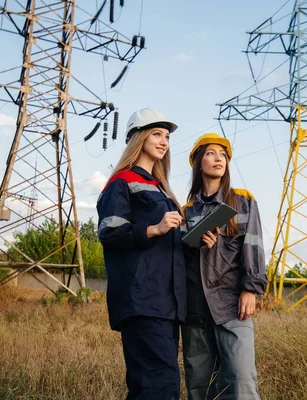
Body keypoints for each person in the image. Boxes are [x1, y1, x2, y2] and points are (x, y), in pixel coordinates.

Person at [97, 108, 188, 399]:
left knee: (154, 385)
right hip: (142, 299)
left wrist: (195, 239)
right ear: (139, 137)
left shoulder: (162, 189)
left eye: (167, 136)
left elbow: (168, 244)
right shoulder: (121, 182)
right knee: (159, 385)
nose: (164, 141)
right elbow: (110, 233)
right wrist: (154, 229)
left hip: (166, 300)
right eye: (157, 134)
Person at [181, 133, 267, 400]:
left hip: (232, 305)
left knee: (241, 384)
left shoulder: (243, 200)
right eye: (210, 153)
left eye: (223, 154)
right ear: (197, 162)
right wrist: (196, 245)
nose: (218, 158)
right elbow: (178, 261)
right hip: (195, 309)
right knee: (199, 388)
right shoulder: (185, 211)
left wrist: (251, 289)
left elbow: (253, 243)